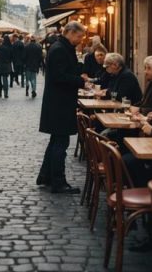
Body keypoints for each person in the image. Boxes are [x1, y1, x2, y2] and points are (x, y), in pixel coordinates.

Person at [37, 21, 89, 194]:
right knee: (61, 142)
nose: (81, 40)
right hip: (59, 103)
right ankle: (58, 182)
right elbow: (59, 77)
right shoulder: (60, 49)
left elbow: (66, 71)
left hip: (59, 102)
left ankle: (46, 176)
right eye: (80, 36)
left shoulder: (62, 47)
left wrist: (78, 71)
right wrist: (80, 81)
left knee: (56, 141)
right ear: (71, 33)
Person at [24, 34, 43, 98]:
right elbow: (40, 57)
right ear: (35, 40)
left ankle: (27, 88)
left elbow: (24, 57)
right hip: (35, 65)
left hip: (27, 65)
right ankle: (33, 90)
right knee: (33, 78)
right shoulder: (38, 47)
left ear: (30, 40)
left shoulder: (26, 46)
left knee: (27, 78)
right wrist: (39, 64)